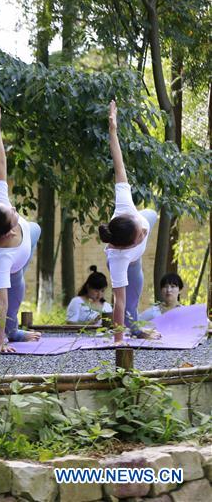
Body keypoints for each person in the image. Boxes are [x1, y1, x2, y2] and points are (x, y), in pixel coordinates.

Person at [0, 91, 42, 352]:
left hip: (29, 238)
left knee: (36, 228)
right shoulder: (1, 260)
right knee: (13, 303)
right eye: (13, 213)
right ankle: (11, 333)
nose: (13, 207)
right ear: (7, 231)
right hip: (14, 266)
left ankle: (12, 331)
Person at [99, 100, 160, 342]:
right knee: (133, 295)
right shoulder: (119, 258)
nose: (144, 234)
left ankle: (145, 216)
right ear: (126, 245)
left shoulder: (125, 206)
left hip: (140, 216)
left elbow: (118, 163)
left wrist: (113, 129)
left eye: (142, 232)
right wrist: (118, 341)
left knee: (150, 215)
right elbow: (119, 302)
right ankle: (135, 330)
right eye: (140, 236)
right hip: (131, 260)